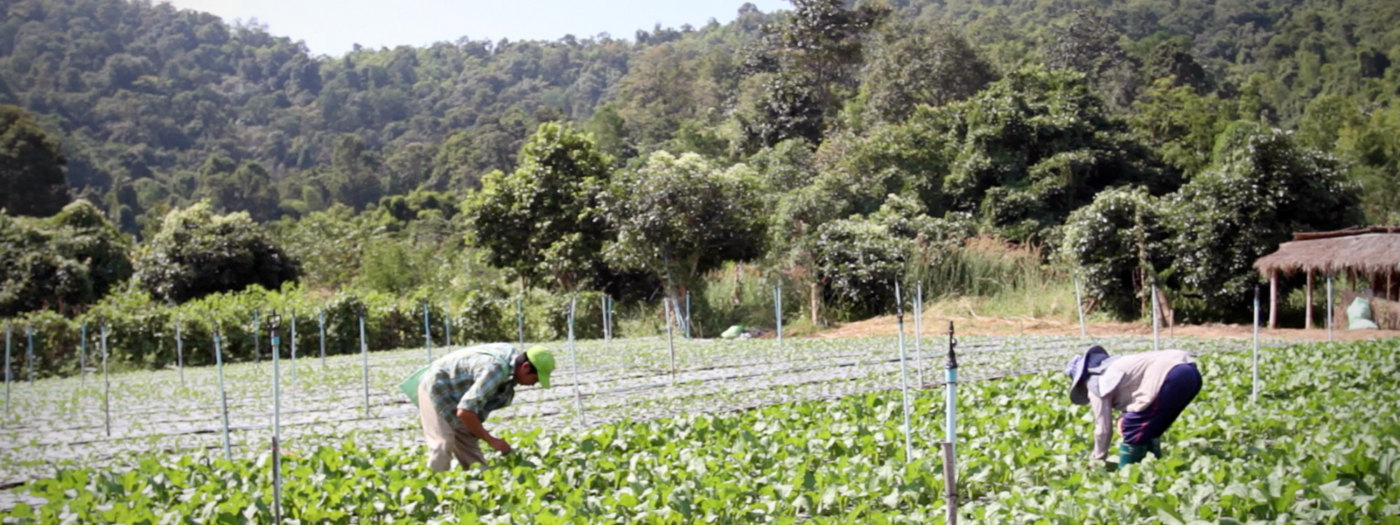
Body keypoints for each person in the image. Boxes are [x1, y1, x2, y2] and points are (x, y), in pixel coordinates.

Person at [414, 343, 554, 471]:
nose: (534, 384)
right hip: (437, 388)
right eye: (535, 379)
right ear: (525, 367)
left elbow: (468, 410)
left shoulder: (511, 363)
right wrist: (493, 441)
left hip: (458, 396)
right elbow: (465, 411)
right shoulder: (496, 369)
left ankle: (481, 486)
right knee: (443, 443)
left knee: (473, 456)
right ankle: (432, 490)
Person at [1065, 345, 1202, 467]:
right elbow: (1136, 393)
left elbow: (1103, 429)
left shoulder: (1096, 383)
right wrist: (1122, 416)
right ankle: (1154, 467)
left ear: (1081, 380)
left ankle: (1129, 475)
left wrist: (1098, 459)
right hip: (1191, 373)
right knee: (1150, 426)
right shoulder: (1117, 366)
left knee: (1132, 426)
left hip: (1172, 376)